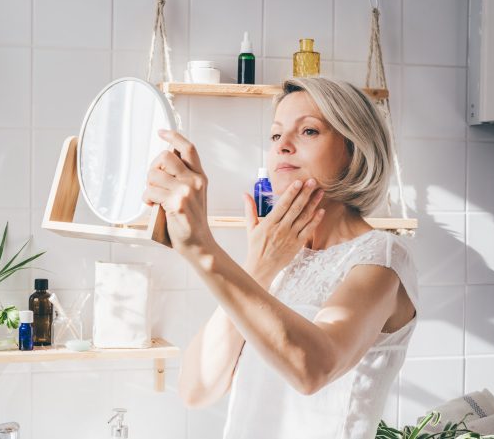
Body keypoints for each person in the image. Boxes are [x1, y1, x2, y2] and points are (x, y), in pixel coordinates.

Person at [142, 77, 418, 439]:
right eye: (275, 135)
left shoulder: (381, 260)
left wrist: (201, 246)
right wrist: (258, 266)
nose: (283, 146)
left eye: (308, 131)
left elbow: (312, 370)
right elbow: (197, 388)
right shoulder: (278, 254)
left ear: (355, 150)